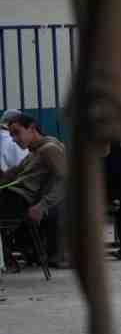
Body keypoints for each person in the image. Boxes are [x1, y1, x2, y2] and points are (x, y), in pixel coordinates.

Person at [0, 113, 67, 266]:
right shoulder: (34, 152)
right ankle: (7, 259)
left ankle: (7, 260)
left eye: (17, 133)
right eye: (11, 135)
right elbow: (14, 172)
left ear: (31, 128)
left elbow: (64, 180)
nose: (14, 139)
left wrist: (42, 205)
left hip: (17, 199)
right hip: (12, 196)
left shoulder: (49, 149)